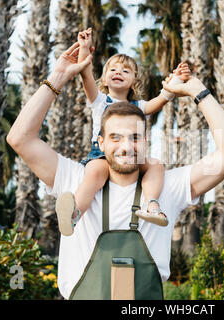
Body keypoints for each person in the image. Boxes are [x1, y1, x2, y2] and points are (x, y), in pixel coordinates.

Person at [6, 41, 224, 299]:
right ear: (101, 142)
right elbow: (20, 138)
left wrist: (197, 90)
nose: (126, 146)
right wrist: (60, 75)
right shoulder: (75, 178)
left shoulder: (169, 185)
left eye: (135, 137)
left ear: (146, 141)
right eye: (116, 137)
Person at [55, 28, 191, 236]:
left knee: (156, 165)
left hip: (132, 155)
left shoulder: (139, 106)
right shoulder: (100, 101)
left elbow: (161, 100)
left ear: (134, 80)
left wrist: (174, 84)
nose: (118, 73)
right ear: (105, 78)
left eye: (126, 71)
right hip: (102, 155)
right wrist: (84, 47)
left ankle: (152, 206)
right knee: (94, 175)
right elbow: (85, 74)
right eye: (113, 70)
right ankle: (75, 214)